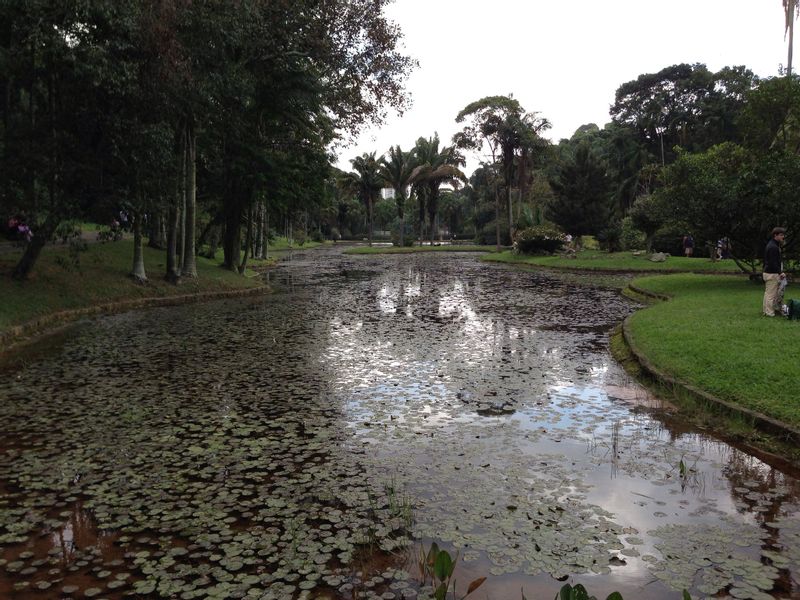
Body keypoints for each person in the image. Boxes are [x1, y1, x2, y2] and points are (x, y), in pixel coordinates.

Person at [763, 227, 786, 317]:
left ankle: (766, 311)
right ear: (775, 235)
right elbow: (773, 262)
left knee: (768, 293)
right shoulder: (773, 247)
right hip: (771, 273)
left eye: (783, 235)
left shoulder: (773, 245)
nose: (782, 237)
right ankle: (769, 312)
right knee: (771, 295)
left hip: (768, 272)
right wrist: (780, 272)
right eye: (781, 235)